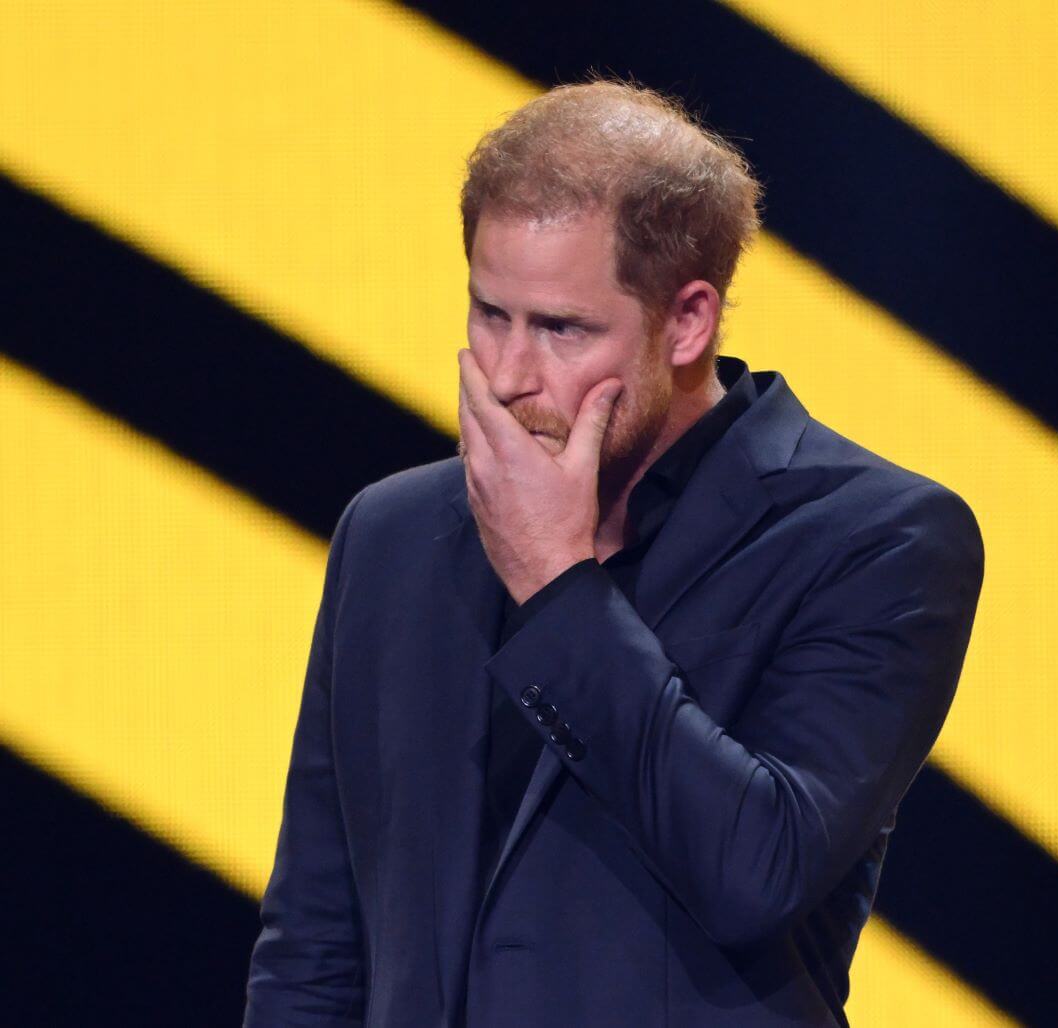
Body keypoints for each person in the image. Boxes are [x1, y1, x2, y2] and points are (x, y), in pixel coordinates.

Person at [243, 77, 985, 1028]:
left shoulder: (875, 540)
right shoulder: (391, 536)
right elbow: (317, 937)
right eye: (488, 313)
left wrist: (557, 586)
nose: (508, 376)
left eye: (560, 328)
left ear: (687, 321)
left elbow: (756, 870)